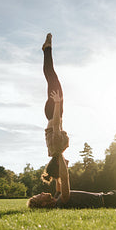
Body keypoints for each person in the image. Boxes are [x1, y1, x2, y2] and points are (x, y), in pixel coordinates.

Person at [41, 33, 69, 186]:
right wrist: (58, 181)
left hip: (54, 112)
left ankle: (47, 49)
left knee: (52, 76)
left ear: (59, 164)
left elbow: (57, 125)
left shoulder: (57, 147)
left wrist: (58, 103)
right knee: (52, 77)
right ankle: (47, 49)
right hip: (50, 114)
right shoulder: (52, 153)